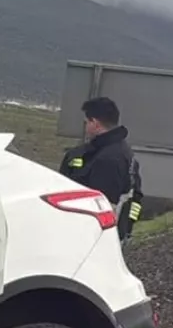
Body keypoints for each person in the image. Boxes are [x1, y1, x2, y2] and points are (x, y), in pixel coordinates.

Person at [59, 97, 144, 244]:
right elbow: (135, 198)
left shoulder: (108, 159)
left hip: (94, 240)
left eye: (87, 122)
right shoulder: (122, 152)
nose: (85, 126)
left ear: (95, 123)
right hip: (113, 235)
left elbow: (100, 205)